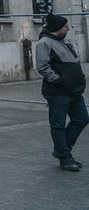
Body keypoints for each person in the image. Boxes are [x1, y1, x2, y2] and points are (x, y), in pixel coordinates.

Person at [34, 13, 87, 172]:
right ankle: (65, 157)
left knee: (82, 118)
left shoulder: (66, 42)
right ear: (58, 28)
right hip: (57, 92)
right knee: (58, 124)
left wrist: (80, 80)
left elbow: (75, 63)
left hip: (74, 90)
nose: (68, 28)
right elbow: (43, 67)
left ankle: (61, 149)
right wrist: (59, 80)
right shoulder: (44, 43)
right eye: (65, 26)